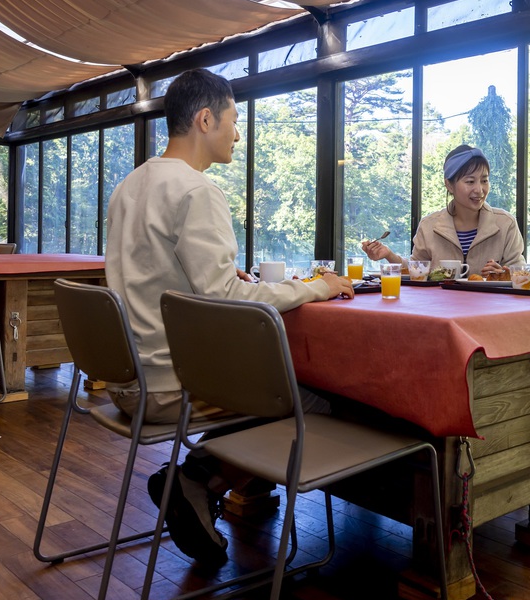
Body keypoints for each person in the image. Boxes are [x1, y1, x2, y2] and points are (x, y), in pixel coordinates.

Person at [105, 68, 353, 564]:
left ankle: (196, 479)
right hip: (169, 385)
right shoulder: (197, 190)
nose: (238, 134)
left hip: (126, 376)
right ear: (204, 119)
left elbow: (167, 275)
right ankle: (199, 478)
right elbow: (225, 298)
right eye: (233, 121)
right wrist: (314, 287)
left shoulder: (131, 184)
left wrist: (225, 280)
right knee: (316, 397)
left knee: (266, 381)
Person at [361, 144, 525, 276]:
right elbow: (416, 270)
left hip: (491, 311)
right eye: (470, 182)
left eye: (484, 180)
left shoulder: (505, 223)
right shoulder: (429, 225)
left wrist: (503, 274)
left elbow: (521, 272)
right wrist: (389, 255)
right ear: (449, 185)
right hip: (439, 311)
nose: (479, 189)